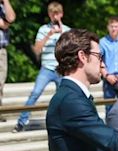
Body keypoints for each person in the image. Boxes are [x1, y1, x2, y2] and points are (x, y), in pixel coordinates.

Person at [13, 1, 70, 132]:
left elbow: (70, 49)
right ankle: (21, 121)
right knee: (35, 93)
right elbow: (37, 50)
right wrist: (48, 35)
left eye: (57, 14)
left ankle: (63, 124)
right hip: (47, 68)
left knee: (64, 97)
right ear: (49, 14)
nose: (55, 16)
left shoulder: (67, 30)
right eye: (52, 14)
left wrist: (61, 34)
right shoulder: (43, 29)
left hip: (62, 69)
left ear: (61, 14)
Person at [100, 16, 118, 116]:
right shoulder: (102, 42)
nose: (114, 29)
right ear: (108, 27)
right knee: (109, 109)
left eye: (116, 26)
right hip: (109, 78)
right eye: (111, 26)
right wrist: (107, 75)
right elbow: (99, 61)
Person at [0, 0, 15, 122]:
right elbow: (4, 24)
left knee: (0, 81)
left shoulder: (2, 7)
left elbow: (10, 18)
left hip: (1, 50)